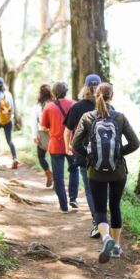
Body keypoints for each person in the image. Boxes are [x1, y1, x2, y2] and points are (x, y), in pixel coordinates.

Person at [72, 82, 140, 263]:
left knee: (101, 209)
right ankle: (116, 246)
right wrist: (118, 154)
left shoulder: (87, 117)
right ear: (112, 96)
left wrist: (90, 156)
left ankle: (106, 238)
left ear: (96, 96)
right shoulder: (119, 117)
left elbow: (75, 144)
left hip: (95, 172)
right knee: (115, 207)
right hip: (117, 172)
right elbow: (135, 143)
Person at [63, 74, 102, 238]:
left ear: (84, 88)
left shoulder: (77, 107)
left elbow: (67, 131)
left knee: (89, 189)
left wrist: (67, 147)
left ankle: (97, 222)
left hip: (83, 155)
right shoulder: (108, 107)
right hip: (104, 155)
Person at [41, 81, 79, 213]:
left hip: (56, 145)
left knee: (58, 177)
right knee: (74, 170)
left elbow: (44, 126)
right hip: (72, 144)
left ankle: (63, 206)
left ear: (54, 93)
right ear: (66, 91)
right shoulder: (74, 104)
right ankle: (73, 198)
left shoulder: (49, 107)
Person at [0, 77, 19, 169]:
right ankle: (15, 158)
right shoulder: (8, 94)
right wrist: (12, 117)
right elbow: (12, 109)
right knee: (9, 140)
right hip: (8, 120)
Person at [31, 84, 54, 187]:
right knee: (55, 158)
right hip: (55, 133)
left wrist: (34, 136)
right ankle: (57, 182)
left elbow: (33, 122)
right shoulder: (55, 103)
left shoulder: (37, 106)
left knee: (41, 156)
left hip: (43, 134)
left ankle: (48, 173)